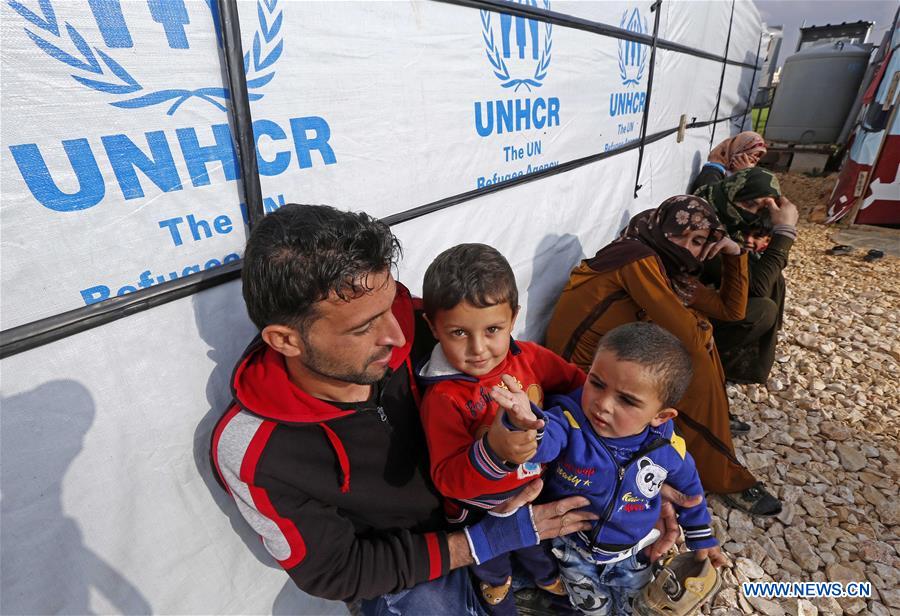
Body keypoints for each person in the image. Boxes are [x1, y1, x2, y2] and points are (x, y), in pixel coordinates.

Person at [210, 203, 621, 615]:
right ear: (286, 341)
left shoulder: (434, 326)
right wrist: (484, 541)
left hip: (514, 501)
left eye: (392, 305)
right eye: (363, 327)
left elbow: (542, 374)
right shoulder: (255, 449)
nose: (396, 334)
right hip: (417, 559)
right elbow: (336, 570)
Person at [544, 195, 782, 517]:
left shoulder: (670, 271)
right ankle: (723, 474)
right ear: (661, 229)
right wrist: (701, 329)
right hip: (584, 376)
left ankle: (712, 434)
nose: (688, 248)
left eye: (699, 242)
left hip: (615, 363)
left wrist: (734, 253)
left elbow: (732, 310)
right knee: (695, 358)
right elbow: (692, 337)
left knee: (696, 348)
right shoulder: (636, 258)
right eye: (682, 236)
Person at [493, 322, 726, 615]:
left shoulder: (667, 448)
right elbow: (544, 441)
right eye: (597, 383)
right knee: (590, 606)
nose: (602, 404)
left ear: (660, 416)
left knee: (634, 602)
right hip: (573, 547)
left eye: (626, 400)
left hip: (634, 551)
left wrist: (701, 537)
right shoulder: (569, 421)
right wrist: (523, 425)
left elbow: (689, 492)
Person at [417, 243, 586, 614]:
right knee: (491, 563)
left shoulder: (528, 357)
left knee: (538, 548)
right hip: (480, 510)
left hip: (535, 489)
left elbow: (577, 386)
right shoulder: (443, 397)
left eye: (492, 329)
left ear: (513, 317)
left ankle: (549, 583)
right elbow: (447, 478)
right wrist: (494, 454)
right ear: (433, 327)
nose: (478, 348)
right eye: (459, 333)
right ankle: (498, 590)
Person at [694, 168, 800, 384]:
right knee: (762, 310)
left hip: (699, 306)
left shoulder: (718, 208)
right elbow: (757, 287)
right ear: (731, 193)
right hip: (678, 322)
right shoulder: (706, 231)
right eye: (750, 204)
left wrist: (716, 165)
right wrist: (785, 231)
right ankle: (705, 362)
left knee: (773, 277)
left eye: (763, 209)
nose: (755, 215)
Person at [688, 131, 767, 194]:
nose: (756, 160)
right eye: (753, 155)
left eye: (758, 156)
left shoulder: (729, 172)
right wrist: (744, 175)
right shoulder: (711, 174)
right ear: (737, 151)